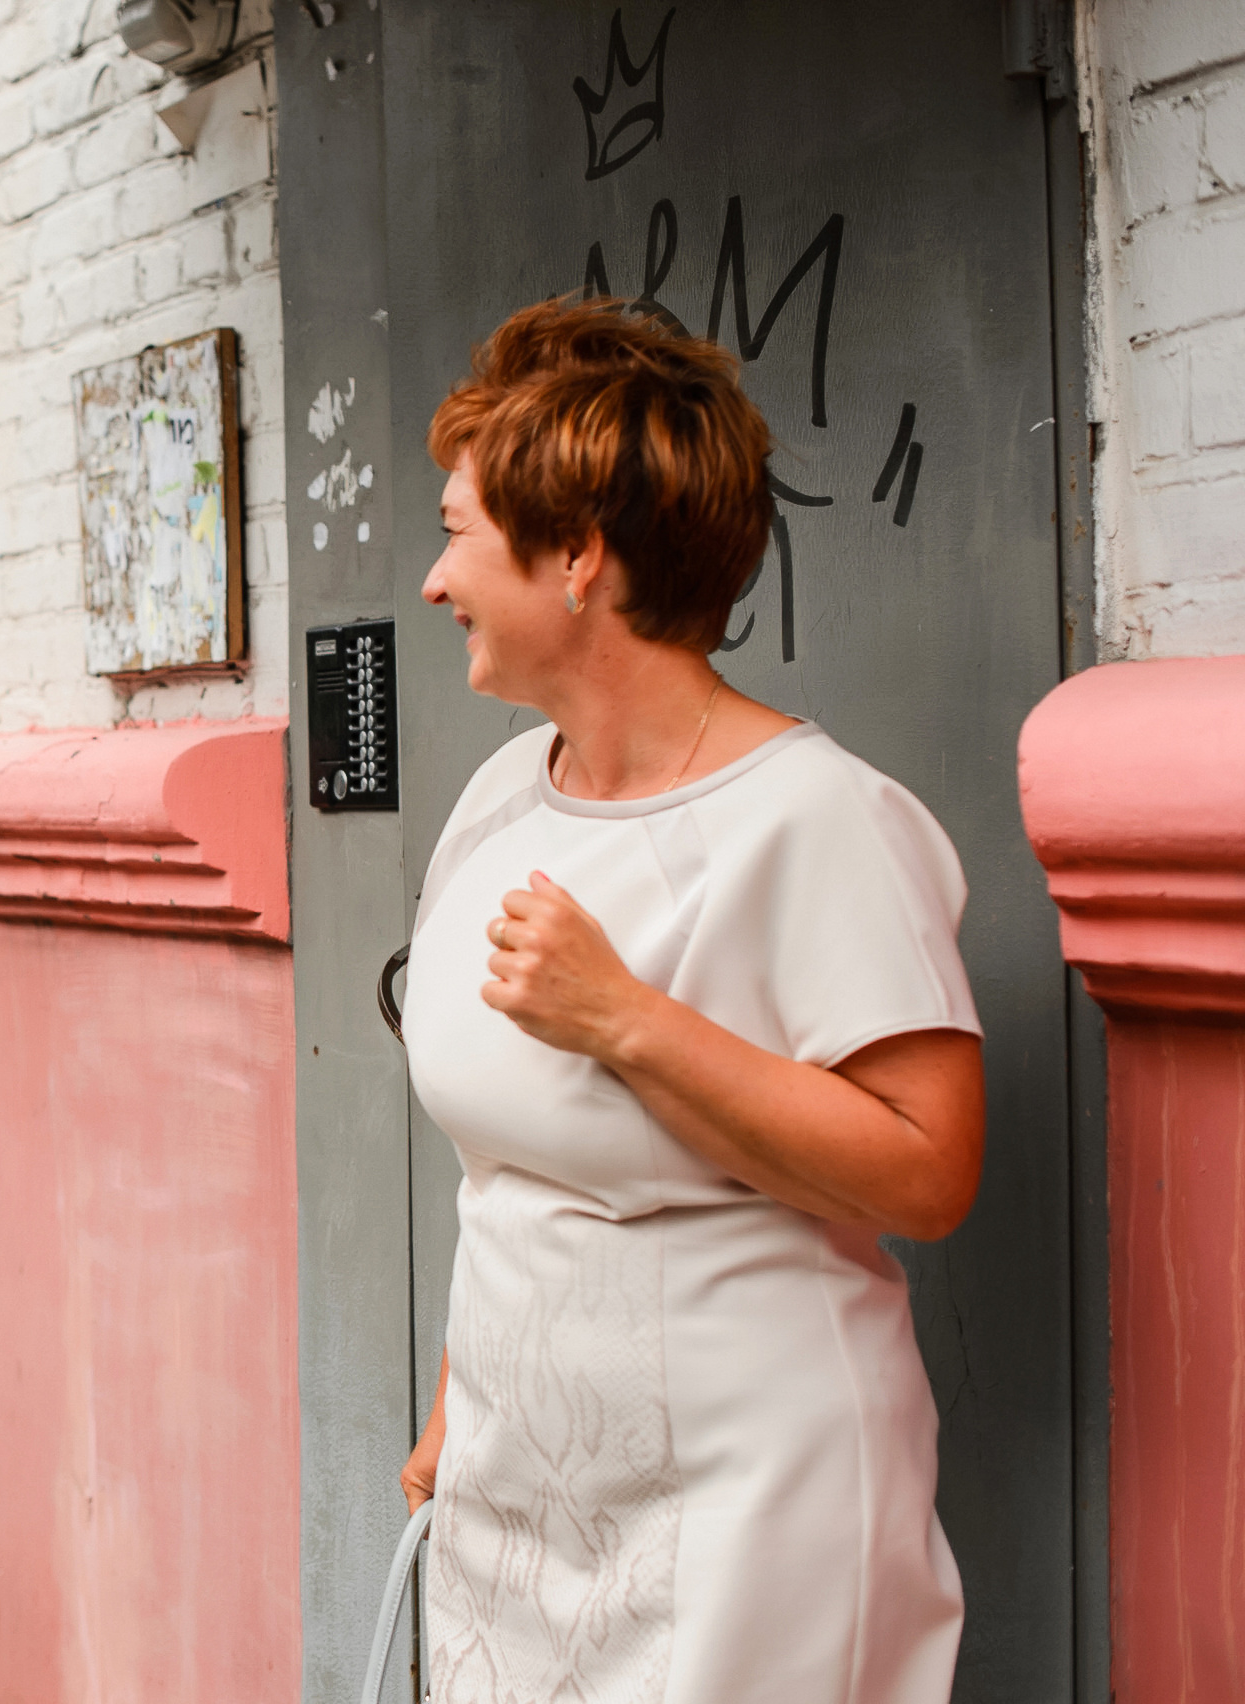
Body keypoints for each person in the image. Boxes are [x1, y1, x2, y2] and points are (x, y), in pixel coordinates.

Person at [397, 299, 986, 1703]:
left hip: (749, 1520)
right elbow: (508, 1172)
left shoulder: (816, 818)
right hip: (517, 1504)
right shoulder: (496, 803)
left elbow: (931, 1167)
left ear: (580, 557)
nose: (434, 580)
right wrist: (448, 1418)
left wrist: (626, 1019)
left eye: (461, 533)